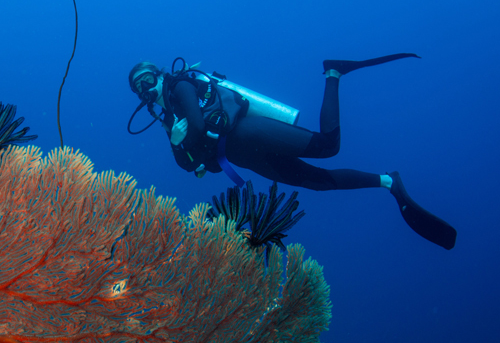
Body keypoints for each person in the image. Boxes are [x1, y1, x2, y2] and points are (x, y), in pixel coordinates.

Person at [127, 54, 457, 250]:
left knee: (328, 146)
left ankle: (334, 73)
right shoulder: (168, 120)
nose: (144, 88)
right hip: (247, 158)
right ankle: (388, 182)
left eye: (147, 79)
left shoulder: (181, 87)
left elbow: (197, 135)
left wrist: (185, 145)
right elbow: (187, 166)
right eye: (138, 87)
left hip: (248, 133)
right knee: (319, 182)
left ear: (159, 75)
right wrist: (178, 143)